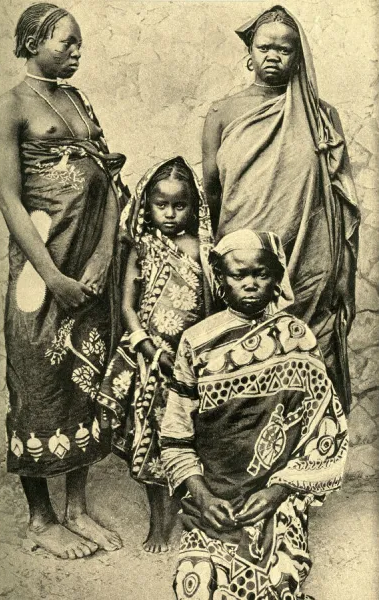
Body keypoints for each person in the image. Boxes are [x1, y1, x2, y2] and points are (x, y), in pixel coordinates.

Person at [0, 3, 129, 559]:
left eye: (80, 45)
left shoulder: (78, 99)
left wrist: (99, 262)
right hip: (43, 269)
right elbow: (8, 198)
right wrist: (54, 277)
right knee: (36, 380)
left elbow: (111, 186)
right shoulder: (10, 105)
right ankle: (40, 518)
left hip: (90, 270)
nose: (77, 52)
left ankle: (75, 507)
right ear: (32, 40)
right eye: (67, 42)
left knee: (87, 378)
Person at [161, 229, 348, 600]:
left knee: (279, 583)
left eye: (261, 274)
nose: (250, 283)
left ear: (277, 278)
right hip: (215, 494)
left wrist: (278, 491)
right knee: (194, 587)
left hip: (277, 496)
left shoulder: (298, 339)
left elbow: (326, 430)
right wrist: (201, 496)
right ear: (220, 280)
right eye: (238, 274)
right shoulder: (195, 342)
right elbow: (175, 437)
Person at [202, 5, 359, 413]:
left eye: (284, 49)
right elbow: (213, 193)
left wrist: (343, 271)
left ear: (298, 57)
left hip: (310, 259)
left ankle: (310, 467)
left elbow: (341, 198)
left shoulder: (323, 117)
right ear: (249, 53)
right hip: (243, 258)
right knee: (245, 363)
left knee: (309, 360)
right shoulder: (222, 113)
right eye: (264, 46)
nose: (273, 55)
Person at [97, 157, 214, 552]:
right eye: (160, 205)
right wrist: (146, 345)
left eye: (179, 205)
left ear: (194, 207)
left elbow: (211, 308)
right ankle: (158, 523)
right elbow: (128, 305)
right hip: (149, 363)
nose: (169, 213)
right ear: (146, 205)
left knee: (184, 440)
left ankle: (189, 513)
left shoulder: (202, 250)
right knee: (147, 440)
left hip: (186, 364)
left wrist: (188, 355)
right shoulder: (142, 248)